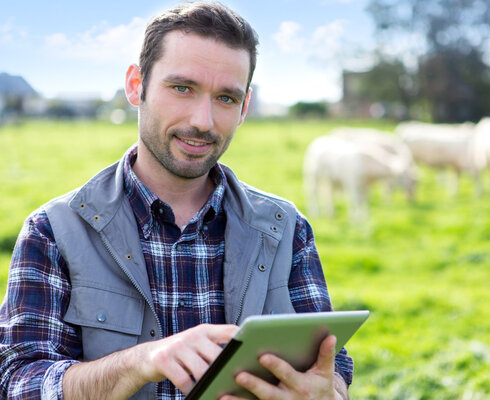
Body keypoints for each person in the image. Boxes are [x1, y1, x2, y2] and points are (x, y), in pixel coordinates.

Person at [0, 2, 353, 399]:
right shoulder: (53, 231)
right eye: (182, 88)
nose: (202, 120)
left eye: (225, 98)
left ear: (244, 108)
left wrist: (328, 394)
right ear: (137, 85)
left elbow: (331, 367)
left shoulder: (287, 228)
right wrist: (138, 362)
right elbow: (18, 383)